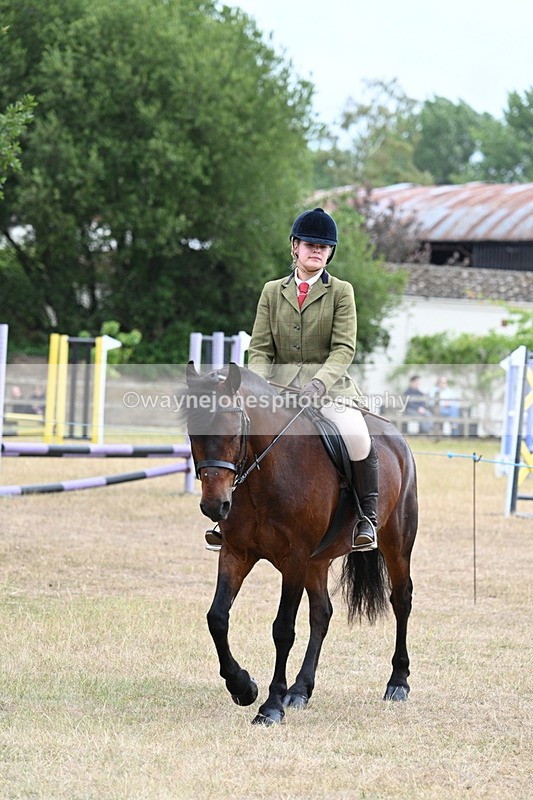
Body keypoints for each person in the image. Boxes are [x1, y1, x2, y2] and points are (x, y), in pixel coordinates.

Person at [247, 207, 378, 551]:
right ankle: (231, 518)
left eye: (324, 246)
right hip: (277, 389)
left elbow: (344, 348)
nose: (316, 250)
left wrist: (318, 385)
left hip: (330, 389)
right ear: (295, 246)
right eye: (310, 243)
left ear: (330, 251)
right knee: (240, 434)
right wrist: (258, 388)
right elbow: (260, 349)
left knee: (357, 437)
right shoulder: (272, 292)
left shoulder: (341, 292)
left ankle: (367, 519)